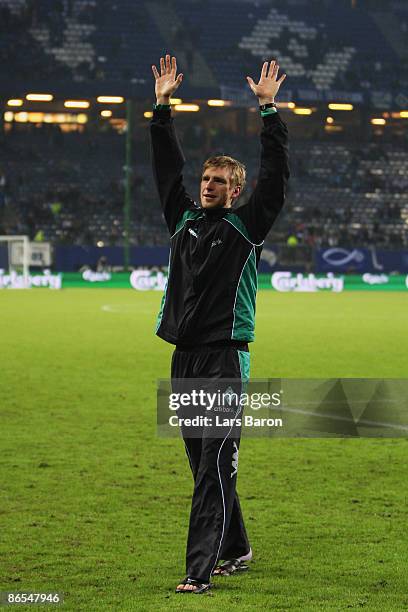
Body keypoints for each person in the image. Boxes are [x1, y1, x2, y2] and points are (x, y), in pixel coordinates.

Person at [150, 54, 289, 594]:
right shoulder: (181, 221)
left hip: (227, 358)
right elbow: (166, 169)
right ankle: (237, 546)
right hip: (184, 356)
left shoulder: (246, 227)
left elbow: (276, 177)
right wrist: (162, 106)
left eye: (218, 181)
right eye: (205, 178)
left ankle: (198, 571)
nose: (207, 186)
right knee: (203, 463)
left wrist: (269, 111)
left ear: (236, 190)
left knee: (211, 467)